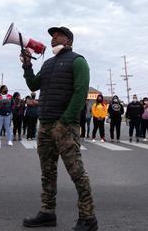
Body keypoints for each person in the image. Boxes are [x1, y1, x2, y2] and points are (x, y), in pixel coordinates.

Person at [21, 26, 97, 230]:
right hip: (45, 124)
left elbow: (80, 93)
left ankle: (88, 218)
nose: (53, 38)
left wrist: (64, 122)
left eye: (58, 35)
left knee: (76, 172)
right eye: (52, 36)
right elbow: (33, 85)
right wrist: (27, 66)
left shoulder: (78, 61)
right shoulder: (47, 63)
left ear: (69, 41)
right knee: (47, 171)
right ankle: (47, 212)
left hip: (65, 126)